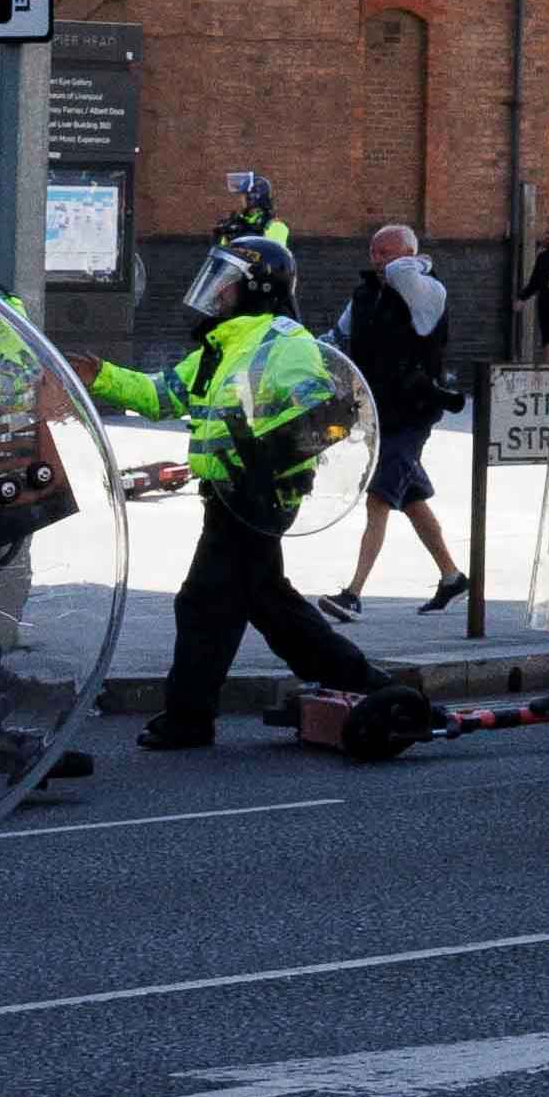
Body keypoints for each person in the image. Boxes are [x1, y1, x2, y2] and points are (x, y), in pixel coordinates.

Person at [105, 277, 428, 751]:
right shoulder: (221, 347)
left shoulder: (284, 340)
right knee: (271, 606)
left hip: (259, 496)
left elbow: (329, 416)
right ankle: (372, 688)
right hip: (227, 496)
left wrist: (262, 454)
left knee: (203, 603)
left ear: (258, 289)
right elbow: (160, 395)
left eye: (227, 285)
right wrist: (95, 375)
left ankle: (188, 719)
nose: (215, 295)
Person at [326, 217, 475, 615]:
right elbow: (337, 341)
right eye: (373, 252)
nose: (377, 260)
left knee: (378, 498)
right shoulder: (364, 295)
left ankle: (353, 595)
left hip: (411, 414)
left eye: (386, 252)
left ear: (409, 257)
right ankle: (452, 577)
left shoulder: (428, 291)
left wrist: (410, 263)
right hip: (375, 411)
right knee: (410, 496)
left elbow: (402, 275)